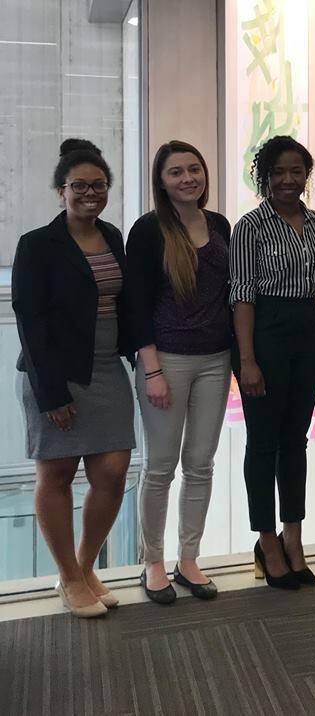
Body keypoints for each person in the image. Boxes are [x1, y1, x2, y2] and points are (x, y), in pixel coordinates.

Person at [12, 139, 135, 618]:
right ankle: (67, 576)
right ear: (60, 191)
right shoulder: (37, 245)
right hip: (56, 375)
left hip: (106, 369)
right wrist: (51, 394)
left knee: (113, 471)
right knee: (58, 474)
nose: (90, 193)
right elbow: (31, 321)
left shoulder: (113, 236)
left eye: (98, 185)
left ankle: (85, 568)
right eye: (79, 185)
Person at [125, 141, 231, 603]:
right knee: (160, 466)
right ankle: (153, 562)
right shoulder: (149, 230)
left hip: (215, 360)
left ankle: (189, 559)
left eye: (194, 169)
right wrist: (151, 371)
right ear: (161, 181)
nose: (188, 178)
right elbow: (135, 304)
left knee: (201, 464)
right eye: (176, 172)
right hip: (165, 360)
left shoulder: (220, 225)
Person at [230, 135, 315, 590]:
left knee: (295, 442)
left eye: (296, 171)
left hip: (307, 332)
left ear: (306, 175)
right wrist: (247, 361)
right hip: (264, 335)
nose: (288, 179)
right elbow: (242, 295)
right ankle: (267, 542)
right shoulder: (249, 227)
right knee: (263, 443)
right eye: (278, 172)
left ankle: (294, 539)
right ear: (264, 177)